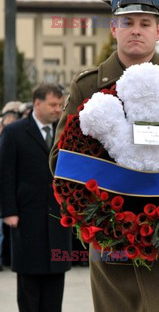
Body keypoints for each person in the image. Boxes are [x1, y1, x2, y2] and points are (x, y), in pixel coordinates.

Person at [49, 0, 159, 311]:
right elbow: (60, 160)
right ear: (114, 28)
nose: (135, 30)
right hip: (113, 241)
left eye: (145, 23)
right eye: (127, 22)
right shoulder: (89, 86)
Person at [0, 84, 70, 312]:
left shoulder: (66, 133)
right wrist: (9, 211)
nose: (58, 110)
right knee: (29, 284)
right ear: (37, 103)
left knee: (55, 283)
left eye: (60, 105)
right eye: (53, 104)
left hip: (59, 219)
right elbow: (6, 174)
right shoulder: (14, 132)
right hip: (27, 217)